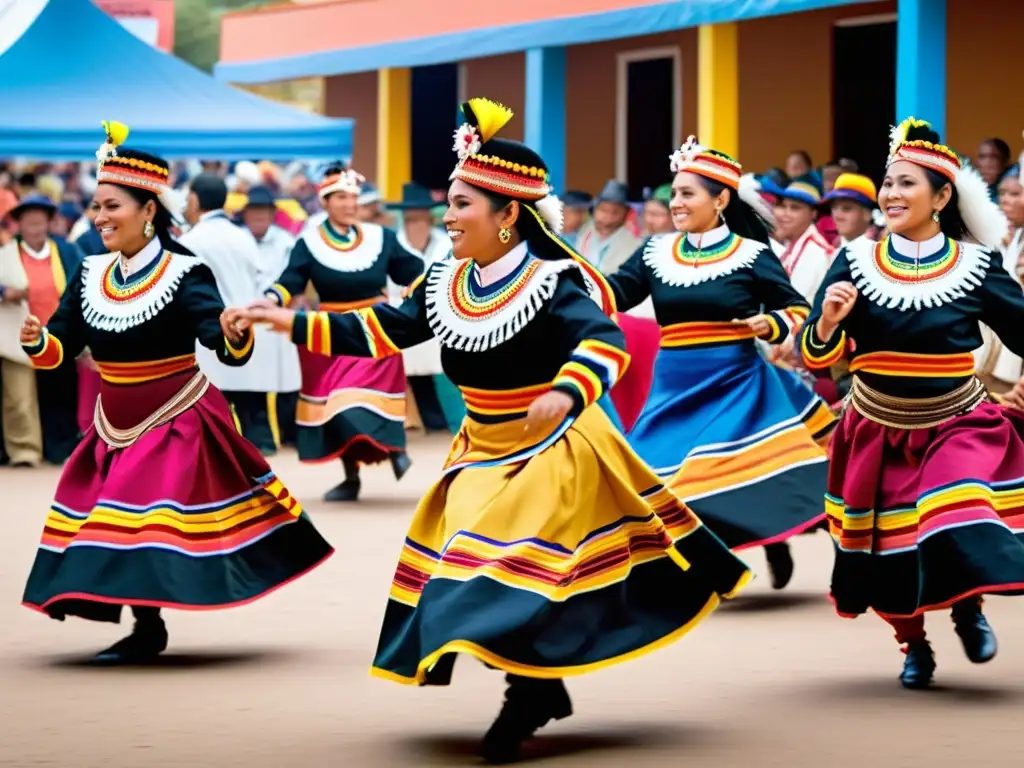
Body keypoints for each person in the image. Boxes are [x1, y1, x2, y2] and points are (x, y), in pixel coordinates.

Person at [246, 98, 750, 764]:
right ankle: (540, 686)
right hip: (478, 453)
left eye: (461, 205)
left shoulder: (551, 283)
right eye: (450, 204)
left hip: (552, 452)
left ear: (508, 214)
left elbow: (604, 342)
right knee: (475, 584)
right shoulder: (444, 283)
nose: (448, 218)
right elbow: (382, 330)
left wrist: (568, 391)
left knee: (496, 580)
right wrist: (291, 323)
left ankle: (525, 695)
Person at [17, 121, 333, 664]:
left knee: (140, 515)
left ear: (148, 211)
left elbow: (221, 341)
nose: (99, 218)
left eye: (111, 206)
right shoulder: (91, 272)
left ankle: (146, 627)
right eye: (96, 207)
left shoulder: (186, 273)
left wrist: (235, 332)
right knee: (115, 520)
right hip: (112, 422)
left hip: (174, 418)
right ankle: (145, 622)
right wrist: (38, 340)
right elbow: (60, 350)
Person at [801, 117, 1024, 689]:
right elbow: (815, 352)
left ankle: (968, 608)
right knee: (887, 555)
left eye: (906, 184)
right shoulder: (854, 261)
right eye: (888, 182)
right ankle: (913, 644)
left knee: (957, 508)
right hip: (875, 428)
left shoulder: (976, 266)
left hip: (959, 421)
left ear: (942, 196)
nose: (892, 194)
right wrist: (828, 319)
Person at [606, 137, 834, 589]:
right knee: (656, 478)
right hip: (673, 386)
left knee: (717, 474)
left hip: (735, 382)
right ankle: (722, 558)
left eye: (688, 194)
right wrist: (562, 273)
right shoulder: (656, 252)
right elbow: (614, 292)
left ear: (721, 199)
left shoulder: (750, 254)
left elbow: (796, 309)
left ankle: (750, 551)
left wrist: (767, 325)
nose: (676, 203)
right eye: (674, 194)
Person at [263, 164, 423, 502]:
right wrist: (269, 300)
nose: (350, 204)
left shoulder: (382, 238)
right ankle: (352, 475)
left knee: (365, 401)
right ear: (325, 202)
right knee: (339, 407)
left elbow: (414, 271)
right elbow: (290, 281)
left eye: (353, 197)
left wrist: (418, 292)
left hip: (375, 331)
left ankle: (393, 448)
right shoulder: (309, 243)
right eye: (341, 198)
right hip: (331, 335)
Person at [180, 174, 280, 453]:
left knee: (216, 406)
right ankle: (262, 458)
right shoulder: (244, 236)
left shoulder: (190, 240)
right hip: (249, 327)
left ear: (196, 199)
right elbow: (262, 278)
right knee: (254, 406)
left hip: (213, 329)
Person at [0, 194, 85, 466]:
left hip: (57, 336)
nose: (35, 228)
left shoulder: (67, 251)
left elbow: (85, 282)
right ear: (19, 225)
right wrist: (5, 292)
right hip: (17, 336)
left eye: (40, 223)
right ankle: (24, 451)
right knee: (19, 397)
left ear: (49, 224)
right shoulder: (5, 254)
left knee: (60, 394)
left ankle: (59, 449)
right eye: (29, 223)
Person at [385, 182, 464, 434]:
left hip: (442, 316)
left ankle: (456, 424)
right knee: (402, 368)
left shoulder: (449, 243)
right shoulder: (391, 244)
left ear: (430, 217)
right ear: (404, 219)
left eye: (421, 217)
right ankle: (408, 424)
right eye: (411, 218)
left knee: (446, 370)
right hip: (401, 314)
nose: (417, 223)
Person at [239, 185, 302, 450]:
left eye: (263, 210)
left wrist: (293, 313)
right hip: (245, 319)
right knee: (251, 383)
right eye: (253, 210)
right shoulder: (236, 239)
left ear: (272, 213)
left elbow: (298, 279)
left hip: (279, 319)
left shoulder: (286, 241)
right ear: (245, 214)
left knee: (288, 380)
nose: (258, 215)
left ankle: (292, 436)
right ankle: (260, 440)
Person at [761, 173, 835, 302]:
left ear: (813, 214)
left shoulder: (814, 252)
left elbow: (796, 305)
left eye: (794, 208)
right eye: (782, 206)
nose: (785, 214)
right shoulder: (790, 246)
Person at [575, 180, 644, 274]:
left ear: (625, 214)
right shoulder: (583, 232)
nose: (608, 217)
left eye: (615, 212)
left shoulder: (633, 241)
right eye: (603, 210)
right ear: (594, 210)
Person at [821, 173, 877, 245]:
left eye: (846, 209)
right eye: (834, 208)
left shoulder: (882, 251)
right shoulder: (832, 248)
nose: (837, 216)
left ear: (867, 214)